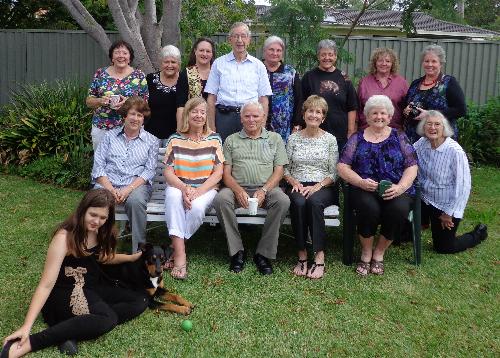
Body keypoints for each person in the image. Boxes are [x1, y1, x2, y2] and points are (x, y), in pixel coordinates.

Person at [1, 189, 148, 358]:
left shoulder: (100, 231)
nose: (97, 221)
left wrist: (131, 258)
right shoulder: (64, 238)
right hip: (65, 292)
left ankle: (75, 326)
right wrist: (26, 327)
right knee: (108, 319)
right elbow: (46, 284)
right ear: (83, 210)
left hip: (92, 287)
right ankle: (31, 343)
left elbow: (103, 257)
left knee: (140, 300)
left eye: (103, 217)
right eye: (93, 215)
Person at [337, 95, 418, 276]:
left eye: (383, 113)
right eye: (374, 113)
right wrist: (360, 181)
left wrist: (401, 187)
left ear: (389, 116)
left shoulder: (400, 136)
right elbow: (342, 166)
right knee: (368, 208)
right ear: (367, 116)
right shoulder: (357, 138)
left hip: (395, 187)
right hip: (365, 188)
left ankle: (379, 253)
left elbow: (412, 166)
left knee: (398, 209)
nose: (379, 116)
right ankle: (366, 253)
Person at [212, 101, 290, 275]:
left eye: (255, 116)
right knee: (220, 199)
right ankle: (237, 251)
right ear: (241, 118)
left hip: (267, 189)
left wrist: (264, 190)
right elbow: (226, 173)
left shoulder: (274, 139)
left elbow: (279, 171)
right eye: (247, 116)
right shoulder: (231, 140)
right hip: (236, 188)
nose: (251, 119)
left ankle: (263, 253)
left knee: (283, 201)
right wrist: (238, 190)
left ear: (263, 118)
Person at [163, 97, 224, 280]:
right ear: (187, 115)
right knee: (173, 198)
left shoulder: (214, 139)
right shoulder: (175, 139)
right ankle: (181, 257)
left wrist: (198, 191)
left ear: (206, 116)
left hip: (206, 188)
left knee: (196, 208)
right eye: (194, 112)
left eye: (202, 112)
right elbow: (168, 172)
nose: (198, 115)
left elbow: (218, 173)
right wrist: (184, 188)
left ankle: (175, 247)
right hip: (179, 185)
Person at [413, 111, 487, 254]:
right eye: (429, 124)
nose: (432, 128)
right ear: (423, 127)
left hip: (444, 204)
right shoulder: (422, 143)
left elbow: (463, 186)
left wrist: (449, 213)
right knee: (404, 235)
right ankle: (423, 222)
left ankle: (478, 234)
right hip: (423, 198)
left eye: (437, 124)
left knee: (444, 247)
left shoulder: (455, 151)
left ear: (444, 128)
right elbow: (407, 154)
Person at [92, 97, 159, 253]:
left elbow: (149, 171)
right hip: (108, 182)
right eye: (132, 114)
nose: (135, 119)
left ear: (144, 119)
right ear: (125, 116)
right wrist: (111, 189)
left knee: (135, 202)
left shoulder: (151, 141)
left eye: (140, 116)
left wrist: (128, 190)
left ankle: (139, 250)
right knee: (98, 200)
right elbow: (98, 167)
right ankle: (96, 245)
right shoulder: (109, 137)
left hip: (136, 185)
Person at [283, 95, 338, 279]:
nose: (314, 115)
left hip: (324, 186)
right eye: (310, 111)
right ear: (304, 114)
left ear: (323, 118)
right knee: (298, 203)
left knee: (314, 202)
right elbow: (285, 168)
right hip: (298, 184)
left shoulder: (330, 139)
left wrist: (317, 186)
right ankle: (302, 255)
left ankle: (319, 256)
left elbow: (334, 172)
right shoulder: (293, 139)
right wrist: (294, 182)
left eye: (318, 112)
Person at [205, 22, 272, 142]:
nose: (239, 40)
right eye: (236, 36)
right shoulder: (219, 64)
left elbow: (264, 99)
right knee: (223, 157)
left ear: (249, 40)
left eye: (243, 36)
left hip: (250, 119)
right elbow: (211, 98)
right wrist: (211, 127)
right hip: (224, 118)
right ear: (229, 39)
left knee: (250, 157)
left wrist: (261, 126)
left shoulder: (258, 66)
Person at [86, 40, 148, 150]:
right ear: (112, 57)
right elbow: (89, 101)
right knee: (101, 161)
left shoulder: (139, 75)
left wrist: (128, 103)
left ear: (130, 57)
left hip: (130, 127)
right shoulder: (100, 73)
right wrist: (100, 101)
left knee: (128, 162)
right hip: (102, 126)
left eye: (125, 53)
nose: (121, 56)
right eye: (117, 52)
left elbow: (145, 103)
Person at [301, 39, 357, 150]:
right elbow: (301, 105)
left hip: (339, 135)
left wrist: (350, 132)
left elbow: (352, 106)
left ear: (336, 56)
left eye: (330, 54)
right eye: (323, 55)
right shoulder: (309, 77)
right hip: (312, 133)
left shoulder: (344, 78)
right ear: (318, 56)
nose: (327, 58)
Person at [403, 44, 466, 143]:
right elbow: (406, 104)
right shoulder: (416, 83)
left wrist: (430, 114)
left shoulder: (448, 83)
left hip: (440, 140)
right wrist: (406, 110)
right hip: (415, 139)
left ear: (440, 63)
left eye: (434, 61)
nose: (429, 64)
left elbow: (461, 110)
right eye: (426, 61)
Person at [357, 47, 408, 131]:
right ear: (375, 63)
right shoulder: (364, 82)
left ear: (392, 64)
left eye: (388, 61)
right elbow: (358, 108)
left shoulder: (401, 83)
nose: (384, 64)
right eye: (380, 60)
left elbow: (406, 108)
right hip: (367, 131)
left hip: (393, 132)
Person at [262, 35, 302, 142]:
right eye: (271, 49)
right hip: (258, 123)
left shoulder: (290, 72)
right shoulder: (256, 69)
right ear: (265, 51)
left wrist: (297, 124)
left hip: (284, 126)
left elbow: (299, 99)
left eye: (279, 50)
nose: (275, 53)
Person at [176, 38, 216, 123]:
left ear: (212, 54)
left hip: (216, 122)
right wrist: (180, 130)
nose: (204, 54)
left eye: (208, 51)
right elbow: (181, 106)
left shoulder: (218, 73)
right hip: (193, 123)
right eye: (201, 50)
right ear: (195, 51)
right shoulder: (186, 74)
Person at [146, 45, 181, 141]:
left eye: (173, 62)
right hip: (150, 135)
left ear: (179, 64)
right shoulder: (150, 79)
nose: (170, 65)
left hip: (177, 136)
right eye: (166, 62)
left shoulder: (184, 80)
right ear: (161, 63)